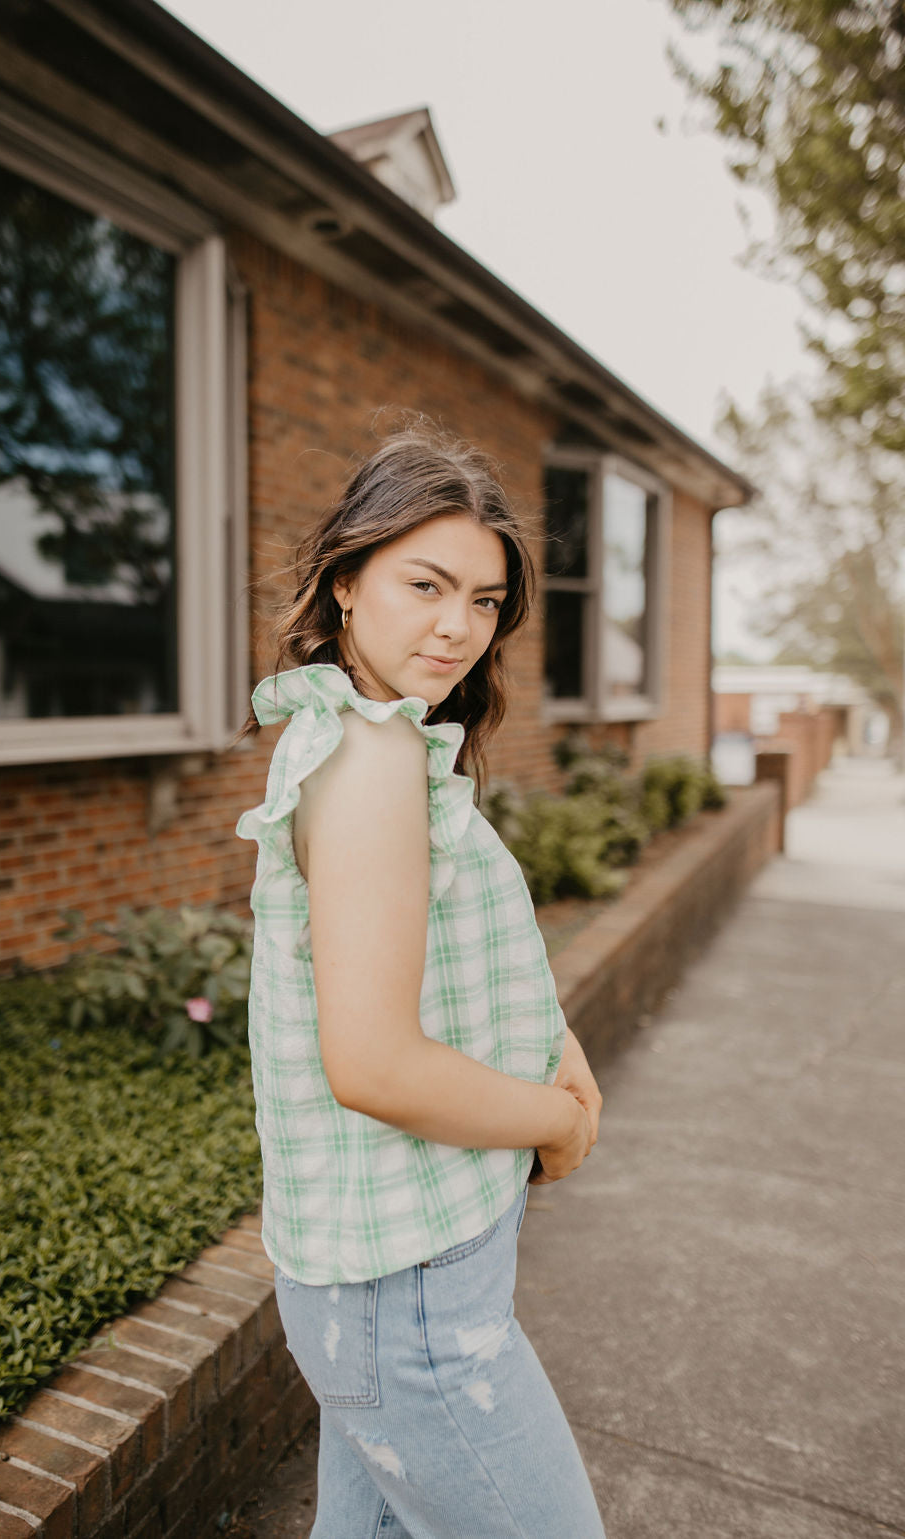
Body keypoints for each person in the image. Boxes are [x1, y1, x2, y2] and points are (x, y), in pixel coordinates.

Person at [235, 425, 606, 1538]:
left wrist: (559, 1055)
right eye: (425, 584)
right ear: (347, 581)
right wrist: (559, 1119)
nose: (458, 626)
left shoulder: (373, 735)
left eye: (486, 601)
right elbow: (372, 1061)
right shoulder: (367, 757)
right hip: (411, 1306)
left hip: (399, 1287)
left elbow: (458, 969)